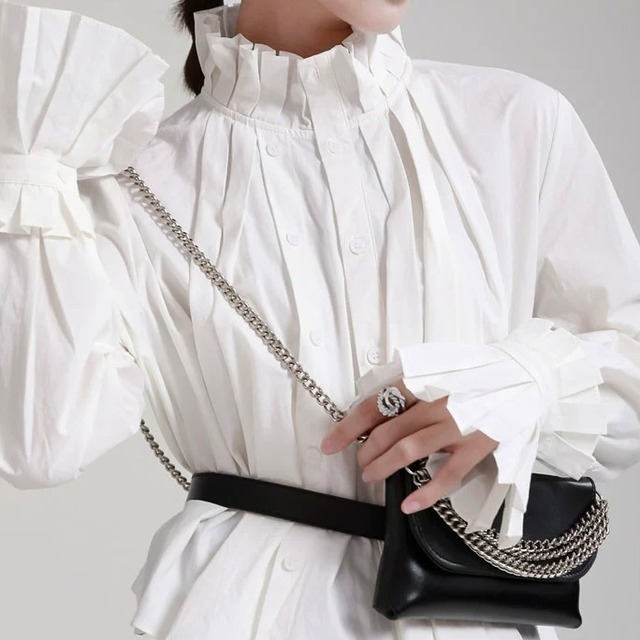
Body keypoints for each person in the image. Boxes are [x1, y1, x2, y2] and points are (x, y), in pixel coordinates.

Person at [1, 0, 639, 638]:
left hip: (468, 608)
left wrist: (522, 384)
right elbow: (41, 444)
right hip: (251, 615)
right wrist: (27, 162)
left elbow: (628, 356)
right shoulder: (135, 184)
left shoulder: (514, 123)